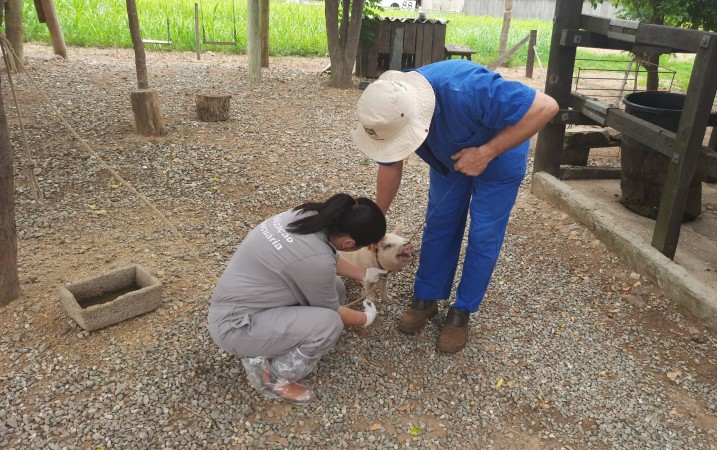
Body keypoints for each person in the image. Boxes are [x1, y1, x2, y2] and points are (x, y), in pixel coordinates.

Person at [352, 59, 559, 353]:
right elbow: (390, 166)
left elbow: (546, 106)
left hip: (499, 156)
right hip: (447, 158)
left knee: (483, 235)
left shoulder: (469, 89)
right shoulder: (388, 108)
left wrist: (487, 152)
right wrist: (377, 221)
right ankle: (426, 297)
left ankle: (462, 311)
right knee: (439, 223)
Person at [207, 193, 388, 404]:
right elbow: (333, 308)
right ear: (349, 242)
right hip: (235, 326)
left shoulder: (306, 216)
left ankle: (287, 339)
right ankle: (276, 377)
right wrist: (366, 318)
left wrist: (364, 273)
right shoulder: (317, 261)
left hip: (243, 302)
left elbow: (325, 257)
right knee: (328, 324)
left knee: (336, 287)